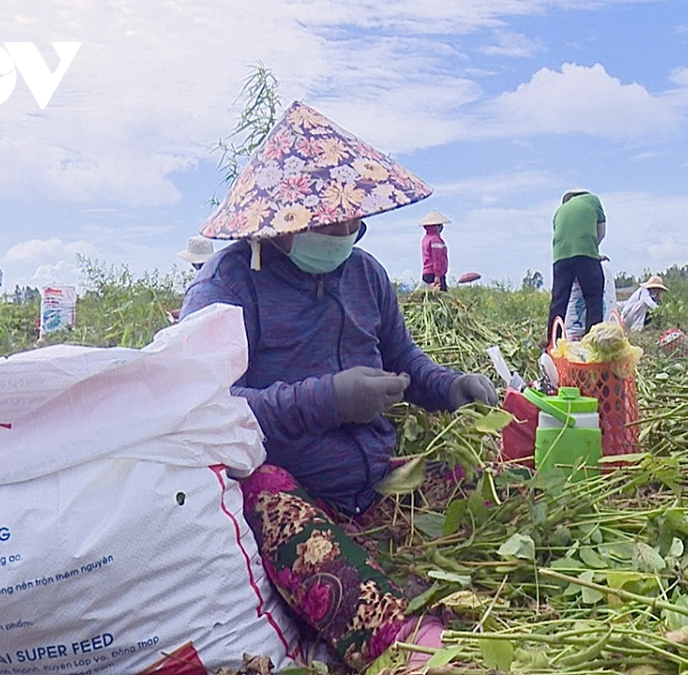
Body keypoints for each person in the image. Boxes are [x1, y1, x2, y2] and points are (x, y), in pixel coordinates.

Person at [181, 101, 496, 671]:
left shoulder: (365, 274)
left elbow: (405, 361)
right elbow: (201, 403)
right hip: (290, 489)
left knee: (489, 488)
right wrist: (327, 399)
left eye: (353, 222)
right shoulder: (228, 284)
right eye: (328, 225)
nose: (344, 234)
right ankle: (402, 646)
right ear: (281, 222)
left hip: (376, 480)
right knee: (274, 504)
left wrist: (450, 388)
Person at [549, 189, 606, 333]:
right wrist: (593, 252)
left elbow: (563, 236)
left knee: (559, 301)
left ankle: (553, 341)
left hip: (560, 258)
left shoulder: (559, 211)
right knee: (593, 299)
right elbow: (601, 232)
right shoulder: (593, 200)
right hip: (586, 254)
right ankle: (593, 342)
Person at [419, 210, 450, 291]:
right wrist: (438, 275)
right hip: (434, 274)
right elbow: (437, 258)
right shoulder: (435, 240)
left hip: (427, 272)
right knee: (442, 299)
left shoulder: (425, 239)